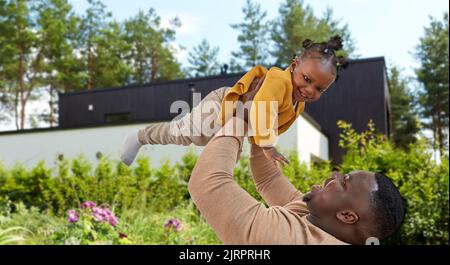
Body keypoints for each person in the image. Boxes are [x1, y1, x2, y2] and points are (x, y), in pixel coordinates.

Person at [120, 35, 348, 166]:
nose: (309, 90)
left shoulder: (299, 104)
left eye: (320, 89)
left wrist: (263, 147)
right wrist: (269, 147)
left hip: (237, 122)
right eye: (306, 79)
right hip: (220, 107)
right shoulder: (280, 78)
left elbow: (270, 125)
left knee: (227, 155)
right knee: (182, 133)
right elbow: (262, 108)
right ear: (295, 64)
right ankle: (139, 137)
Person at [188, 117, 406, 245]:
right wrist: (261, 132)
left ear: (347, 216)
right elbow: (269, 180)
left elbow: (208, 183)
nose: (333, 175)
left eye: (343, 182)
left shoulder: (292, 240)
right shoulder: (315, 216)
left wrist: (239, 119)